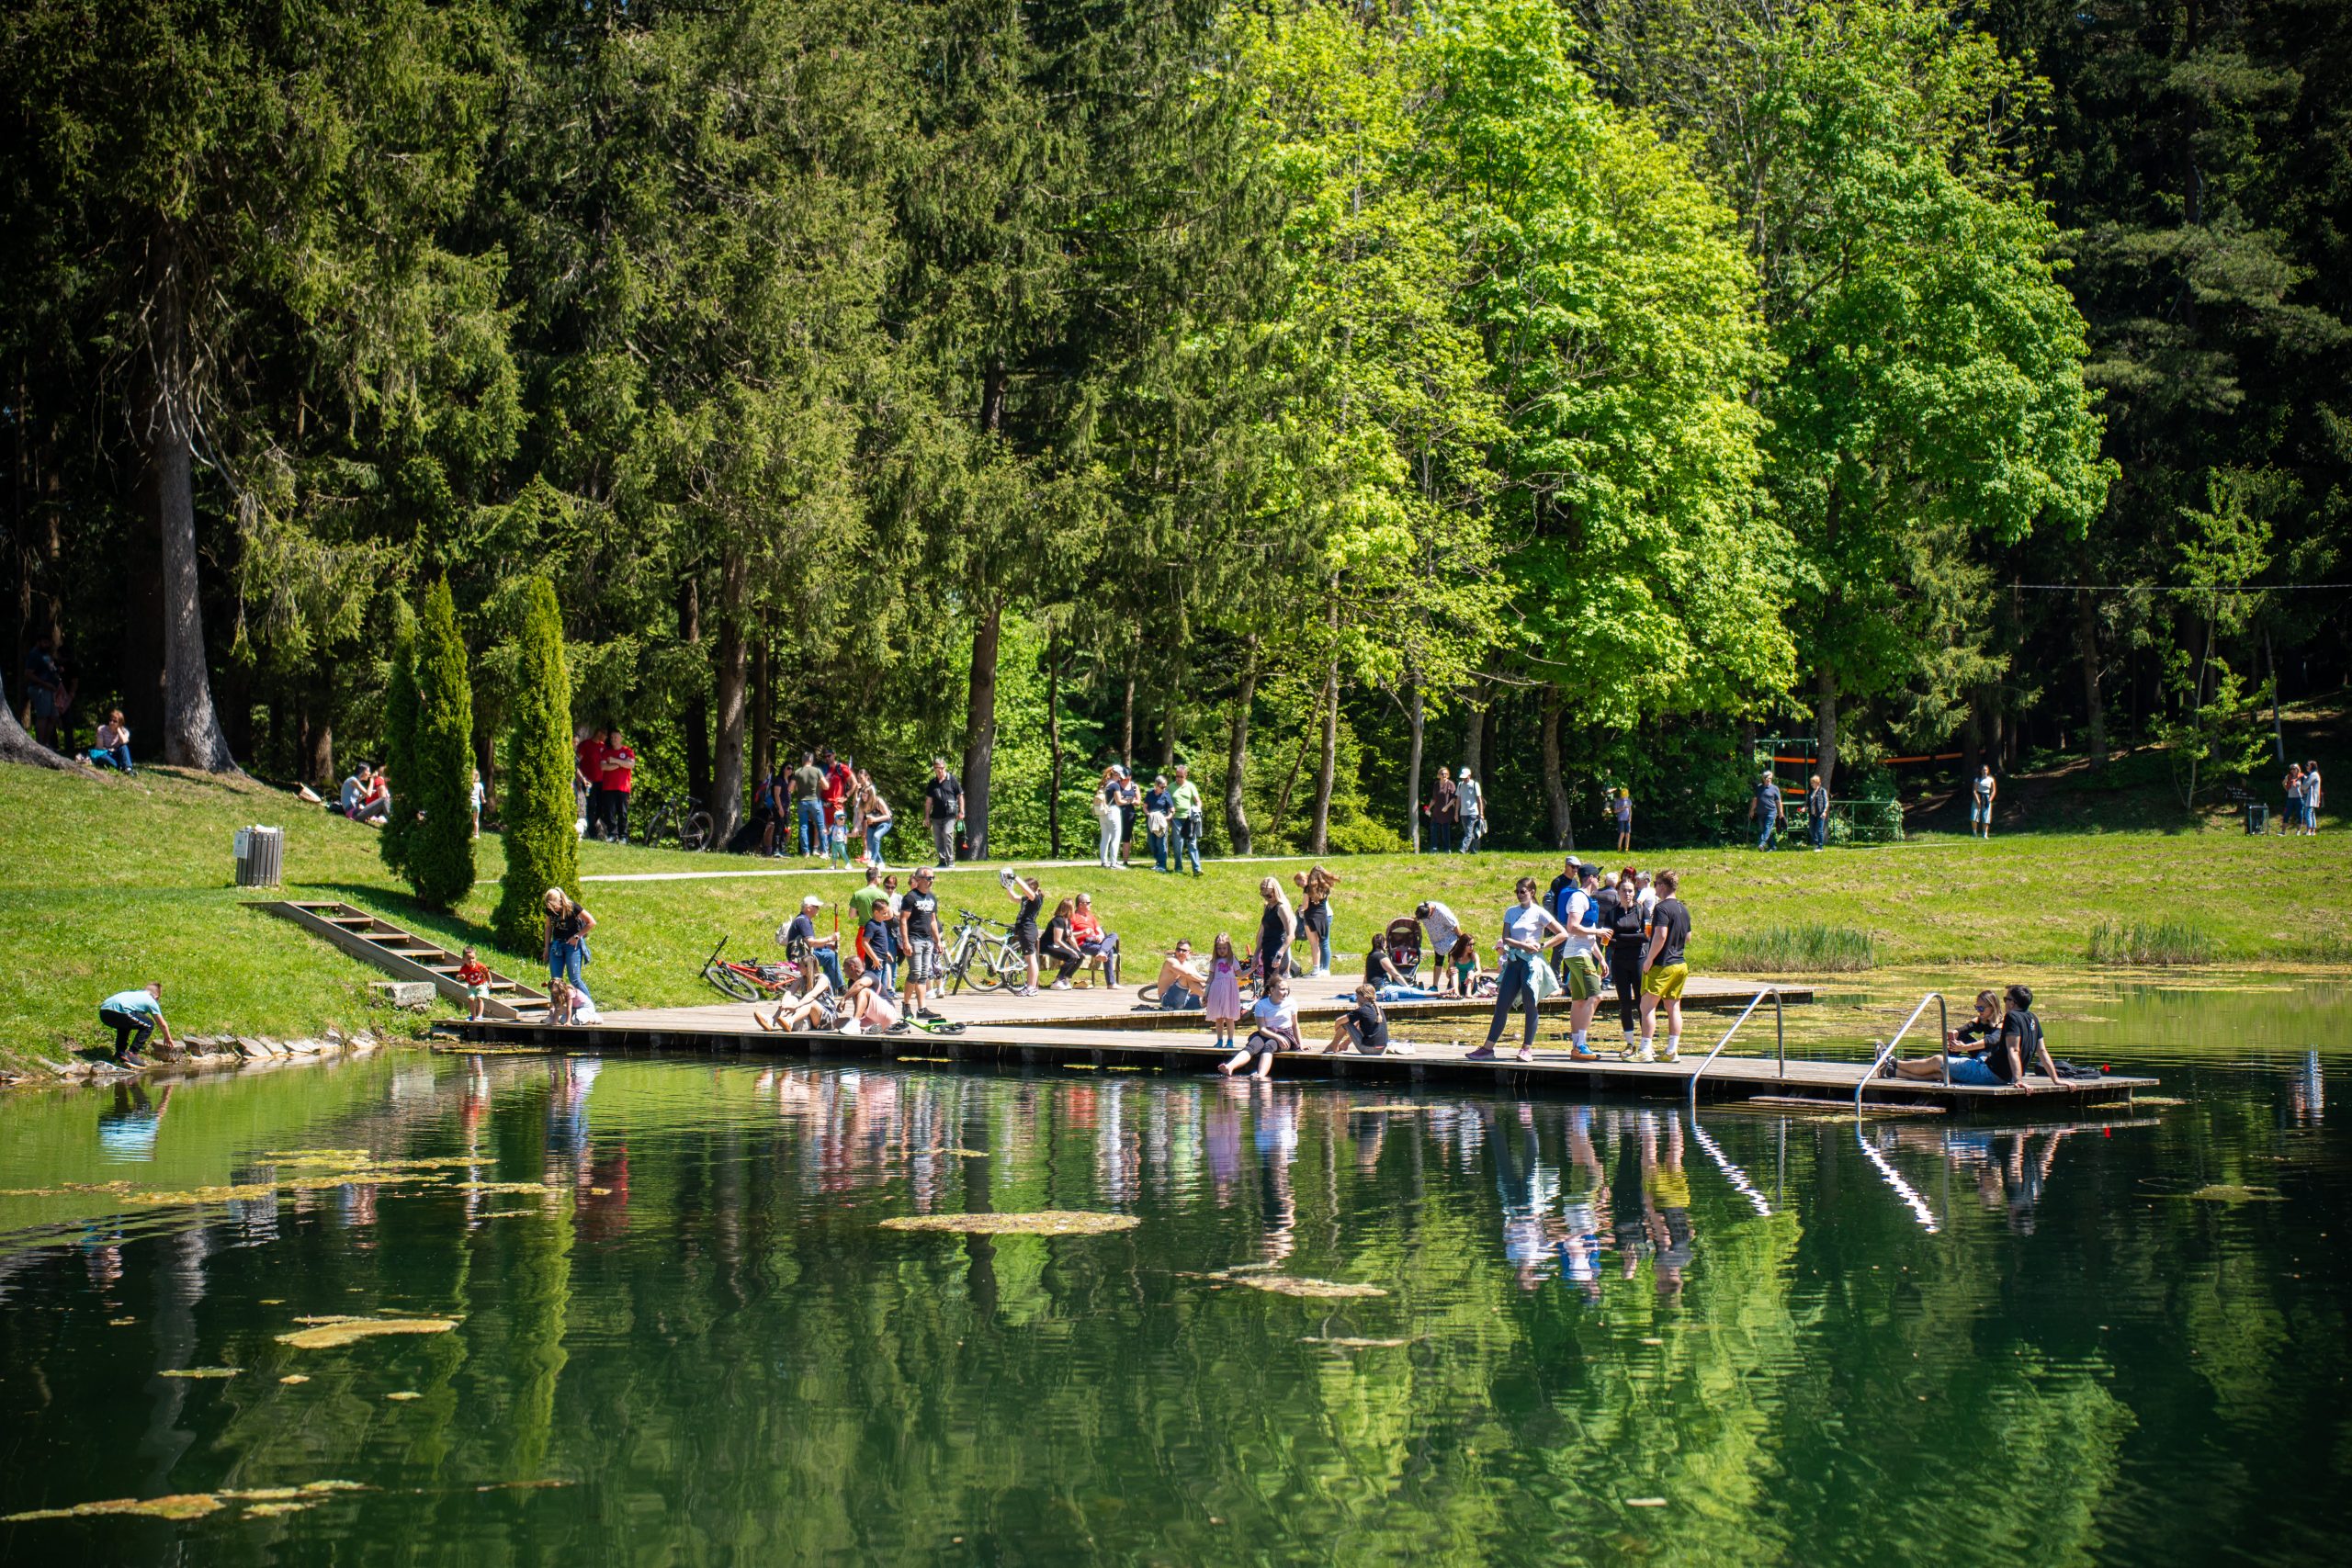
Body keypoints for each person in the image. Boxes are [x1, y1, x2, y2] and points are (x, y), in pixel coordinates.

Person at [1467, 876, 1565, 1063]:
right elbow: (1506, 938)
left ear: (1532, 892)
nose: (1519, 895)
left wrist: (1542, 946)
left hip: (1531, 964)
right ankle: (1488, 1048)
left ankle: (1527, 1048)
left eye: (1523, 891)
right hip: (1514, 961)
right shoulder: (1511, 912)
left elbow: (1563, 933)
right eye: (1517, 891)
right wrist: (1523, 945)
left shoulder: (1539, 912)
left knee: (1530, 1004)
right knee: (1501, 1004)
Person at [1885, 989, 2003, 1082]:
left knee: (1939, 1069)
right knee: (1958, 1039)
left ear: (1992, 1007)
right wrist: (1955, 1033)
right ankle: (1891, 1071)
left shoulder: (2003, 1023)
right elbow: (1965, 1028)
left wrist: (1964, 1047)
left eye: (1981, 1008)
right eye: (1976, 1007)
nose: (1978, 1011)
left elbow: (1991, 1040)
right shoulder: (1982, 1019)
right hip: (1983, 1059)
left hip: (1988, 1062)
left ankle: (1894, 1062)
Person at [1636, 869, 1690, 1063]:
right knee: (1673, 1007)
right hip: (1680, 964)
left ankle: (1645, 1050)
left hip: (1662, 964)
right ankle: (1672, 1050)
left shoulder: (1661, 908)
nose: (1655, 888)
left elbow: (1660, 935)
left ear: (1663, 886)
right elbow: (1688, 937)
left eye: (1656, 884)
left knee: (1647, 1006)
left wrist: (1649, 959)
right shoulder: (1683, 908)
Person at [1556, 862, 1609, 1060]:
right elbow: (1572, 927)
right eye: (1598, 877)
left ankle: (1576, 1046)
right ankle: (1581, 1044)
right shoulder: (1578, 898)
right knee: (1596, 996)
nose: (1600, 881)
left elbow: (1588, 937)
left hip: (1581, 953)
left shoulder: (1589, 900)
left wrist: (1601, 959)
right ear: (1591, 878)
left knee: (1579, 1001)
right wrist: (1599, 931)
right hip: (1577, 954)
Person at [1223, 973, 1301, 1079]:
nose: (1286, 992)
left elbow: (1295, 1025)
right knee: (1252, 1045)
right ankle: (1230, 1067)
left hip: (1285, 1035)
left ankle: (1261, 1074)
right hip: (1266, 1033)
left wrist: (1300, 1045)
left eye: (1287, 989)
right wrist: (1276, 1036)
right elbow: (1262, 1029)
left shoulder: (1291, 1003)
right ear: (1272, 990)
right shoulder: (1261, 1004)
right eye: (1282, 989)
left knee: (1269, 1045)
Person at [1606, 871, 1648, 1055]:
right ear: (1618, 892)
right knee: (1624, 1003)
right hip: (1619, 963)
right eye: (1624, 890)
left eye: (1630, 890)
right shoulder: (1612, 913)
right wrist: (1632, 938)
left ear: (1635, 892)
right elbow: (1608, 941)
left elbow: (1646, 936)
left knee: (1642, 1003)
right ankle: (1630, 1043)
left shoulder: (1642, 911)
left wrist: (1620, 937)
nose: (1627, 894)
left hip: (1639, 960)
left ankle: (1646, 1044)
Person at [898, 865, 944, 1020]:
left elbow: (933, 921)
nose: (931, 881)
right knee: (915, 972)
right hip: (914, 939)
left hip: (927, 940)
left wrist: (937, 941)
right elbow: (903, 920)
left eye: (933, 878)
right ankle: (906, 1005)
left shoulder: (931, 898)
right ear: (918, 879)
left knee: (923, 975)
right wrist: (905, 942)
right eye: (928, 878)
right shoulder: (910, 897)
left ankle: (922, 1009)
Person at [780, 892, 843, 993]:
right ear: (808, 908)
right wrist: (831, 938)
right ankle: (839, 987)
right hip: (800, 956)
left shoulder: (804, 919)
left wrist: (827, 945)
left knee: (828, 952)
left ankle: (829, 985)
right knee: (830, 957)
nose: (818, 909)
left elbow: (809, 944)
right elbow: (811, 943)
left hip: (804, 952)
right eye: (816, 907)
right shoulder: (803, 921)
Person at [98, 981, 174, 1066]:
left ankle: (120, 1054)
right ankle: (132, 1053)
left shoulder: (134, 994)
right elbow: (162, 1023)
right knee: (149, 1024)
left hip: (104, 1012)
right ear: (156, 997)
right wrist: (168, 1038)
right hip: (121, 1011)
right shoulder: (151, 1000)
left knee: (125, 1025)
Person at [24, 635, 70, 750]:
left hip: (51, 690)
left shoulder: (46, 655)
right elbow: (28, 673)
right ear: (38, 642)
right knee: (43, 716)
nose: (47, 645)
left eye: (48, 642)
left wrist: (57, 670)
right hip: (39, 689)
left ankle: (45, 744)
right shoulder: (34, 654)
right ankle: (40, 745)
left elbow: (49, 670)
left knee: (54, 716)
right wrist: (45, 684)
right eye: (45, 642)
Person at [543, 887, 595, 989]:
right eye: (549, 907)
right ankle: (558, 1000)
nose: (552, 910)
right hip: (557, 945)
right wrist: (546, 948)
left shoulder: (573, 907)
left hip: (572, 945)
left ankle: (587, 1000)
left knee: (575, 980)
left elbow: (591, 922)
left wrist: (576, 937)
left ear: (560, 901)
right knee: (555, 981)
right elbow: (548, 927)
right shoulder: (549, 909)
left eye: (554, 907)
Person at [1292, 864, 1340, 976]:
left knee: (1319, 943)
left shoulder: (1309, 888)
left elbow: (1306, 905)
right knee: (1323, 942)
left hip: (1319, 915)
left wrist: (1301, 909)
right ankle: (1323, 968)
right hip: (1323, 915)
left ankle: (1321, 968)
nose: (1299, 886)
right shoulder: (1325, 887)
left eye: (1299, 883)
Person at [1004, 870, 1045, 995]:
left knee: (1030, 959)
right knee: (1029, 958)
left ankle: (1031, 987)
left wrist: (1015, 877)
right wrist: (1007, 886)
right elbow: (1013, 897)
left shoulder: (1036, 899)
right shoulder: (1026, 899)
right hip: (1023, 929)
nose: (1024, 891)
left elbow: (1027, 890)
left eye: (1027, 888)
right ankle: (1031, 987)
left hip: (1028, 929)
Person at [1203, 932, 1244, 1049]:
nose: (1221, 950)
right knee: (1219, 1017)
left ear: (1229, 947)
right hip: (1217, 989)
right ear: (1215, 948)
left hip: (1230, 990)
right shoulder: (1214, 961)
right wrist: (1206, 993)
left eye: (1224, 948)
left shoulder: (1232, 960)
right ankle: (1219, 1040)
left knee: (1229, 1017)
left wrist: (1252, 968)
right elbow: (1210, 978)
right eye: (1219, 948)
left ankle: (1230, 1041)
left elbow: (1240, 974)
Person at [1416, 899, 1464, 998]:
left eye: (1427, 917)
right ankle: (1435, 986)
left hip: (1450, 940)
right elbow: (1417, 918)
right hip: (1437, 942)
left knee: (1452, 965)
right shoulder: (1422, 908)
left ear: (1430, 911)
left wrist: (1463, 941)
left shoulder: (1442, 912)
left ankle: (1455, 989)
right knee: (1438, 962)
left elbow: (1455, 926)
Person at [1254, 876, 1296, 989]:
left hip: (1277, 950)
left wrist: (1280, 954)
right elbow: (1263, 932)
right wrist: (1256, 953)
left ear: (1275, 891)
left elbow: (1291, 935)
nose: (1266, 898)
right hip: (1267, 949)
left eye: (1269, 895)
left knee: (1272, 986)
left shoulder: (1281, 908)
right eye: (1263, 895)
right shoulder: (1267, 907)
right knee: (1267, 985)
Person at [1326, 984, 1391, 1055]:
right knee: (1360, 1024)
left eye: (1357, 997)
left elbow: (1338, 1021)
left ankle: (1333, 1045)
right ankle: (1345, 1044)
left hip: (1368, 1049)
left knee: (1345, 1023)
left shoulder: (1362, 1010)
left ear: (1365, 998)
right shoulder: (1379, 1009)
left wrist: (1338, 1031)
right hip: (1382, 1049)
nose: (1356, 999)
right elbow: (1358, 1026)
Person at [1071, 892, 1120, 986]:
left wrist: (1100, 936)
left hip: (1095, 942)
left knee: (1114, 935)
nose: (1091, 904)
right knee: (1109, 950)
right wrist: (1083, 933)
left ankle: (1102, 952)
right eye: (1088, 903)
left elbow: (1099, 931)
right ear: (1081, 904)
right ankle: (1111, 983)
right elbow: (1068, 935)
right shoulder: (1073, 917)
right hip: (1083, 945)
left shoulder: (1090, 916)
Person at [860, 893, 901, 999]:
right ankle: (872, 1003)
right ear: (876, 912)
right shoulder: (871, 925)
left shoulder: (882, 923)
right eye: (884, 913)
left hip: (883, 958)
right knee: (875, 985)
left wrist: (886, 952)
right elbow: (865, 943)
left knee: (882, 985)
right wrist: (874, 958)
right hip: (875, 961)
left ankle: (882, 1003)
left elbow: (879, 941)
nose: (886, 915)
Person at [923, 758, 963, 867]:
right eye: (936, 769)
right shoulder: (932, 783)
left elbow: (960, 796)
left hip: (950, 815)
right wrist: (927, 817)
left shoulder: (952, 780)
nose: (939, 771)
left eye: (940, 768)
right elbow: (928, 801)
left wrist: (962, 811)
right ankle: (942, 861)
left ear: (944, 767)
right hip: (936, 815)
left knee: (947, 833)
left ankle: (950, 861)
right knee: (938, 839)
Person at [599, 728, 638, 841]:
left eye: (616, 737)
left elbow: (631, 765)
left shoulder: (627, 751)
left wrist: (615, 761)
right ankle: (612, 834)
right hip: (608, 787)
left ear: (621, 738)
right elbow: (603, 767)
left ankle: (623, 836)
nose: (613, 739)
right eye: (612, 737)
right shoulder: (606, 752)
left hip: (623, 787)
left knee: (622, 813)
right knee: (609, 812)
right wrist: (619, 765)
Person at [1150, 940, 1207, 1010]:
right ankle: (1210, 997)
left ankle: (1212, 998)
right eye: (1178, 949)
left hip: (1184, 1000)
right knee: (1187, 977)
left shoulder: (1190, 966)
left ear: (1189, 952)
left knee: (1205, 1001)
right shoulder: (1170, 961)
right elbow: (1187, 974)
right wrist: (1208, 980)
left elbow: (1198, 982)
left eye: (1184, 950)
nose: (1180, 952)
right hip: (1168, 1001)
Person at [1043, 898, 1087, 989]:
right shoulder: (1058, 920)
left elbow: (1070, 937)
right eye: (1073, 907)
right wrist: (1071, 950)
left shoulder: (1068, 920)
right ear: (1068, 909)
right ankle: (1057, 981)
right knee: (1072, 956)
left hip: (1057, 945)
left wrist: (1078, 950)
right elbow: (1057, 940)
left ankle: (1066, 979)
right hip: (1048, 945)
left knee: (1080, 956)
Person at [1170, 763, 1204, 875]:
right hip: (1176, 818)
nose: (1179, 779)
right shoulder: (1170, 787)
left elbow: (1198, 801)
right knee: (1178, 844)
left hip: (1189, 819)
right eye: (1177, 776)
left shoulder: (1190, 786)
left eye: (1181, 776)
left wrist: (1197, 809)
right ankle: (1178, 868)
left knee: (1192, 843)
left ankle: (1197, 869)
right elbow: (1165, 802)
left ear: (1186, 776)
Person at [856, 768, 894, 870]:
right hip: (872, 824)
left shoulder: (878, 801)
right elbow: (860, 817)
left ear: (870, 795)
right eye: (862, 796)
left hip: (885, 823)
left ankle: (872, 861)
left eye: (865, 796)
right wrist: (855, 828)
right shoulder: (862, 803)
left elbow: (888, 816)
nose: (863, 798)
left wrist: (874, 819)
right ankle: (880, 862)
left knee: (876, 837)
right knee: (869, 843)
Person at [793, 752, 828, 858]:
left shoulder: (797, 772)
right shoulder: (817, 771)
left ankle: (805, 852)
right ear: (811, 760)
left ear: (802, 760)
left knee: (803, 827)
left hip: (802, 802)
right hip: (815, 801)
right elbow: (826, 786)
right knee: (821, 826)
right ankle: (824, 851)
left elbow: (790, 788)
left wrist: (798, 788)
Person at [575, 728, 606, 839]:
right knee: (591, 805)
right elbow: (577, 762)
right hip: (589, 781)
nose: (606, 737)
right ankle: (591, 831)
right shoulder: (586, 745)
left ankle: (593, 826)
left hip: (601, 782)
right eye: (604, 735)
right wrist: (580, 779)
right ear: (599, 733)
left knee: (601, 806)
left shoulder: (603, 747)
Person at [1093, 766, 1124, 869]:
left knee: (1105, 838)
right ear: (1116, 774)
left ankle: (1104, 862)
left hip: (1102, 812)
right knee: (1116, 837)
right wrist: (1129, 801)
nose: (1120, 778)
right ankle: (1114, 863)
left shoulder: (1103, 784)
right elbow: (1119, 801)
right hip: (1112, 811)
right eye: (1119, 776)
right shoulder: (1115, 785)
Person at [1144, 774, 1175, 873]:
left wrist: (1168, 817)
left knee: (1161, 843)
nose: (1164, 788)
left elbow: (1172, 809)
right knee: (1151, 842)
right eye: (1162, 787)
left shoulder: (1166, 794)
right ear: (1156, 785)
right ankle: (1158, 862)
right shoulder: (1150, 793)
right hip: (1151, 821)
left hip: (1162, 823)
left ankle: (1162, 865)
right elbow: (1145, 807)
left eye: (1165, 786)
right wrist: (1148, 814)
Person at [456, 946, 493, 1022]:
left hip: (482, 984)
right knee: (470, 999)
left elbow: (487, 972)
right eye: (468, 959)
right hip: (471, 986)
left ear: (476, 958)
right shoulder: (464, 968)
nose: (471, 960)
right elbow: (457, 977)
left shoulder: (479, 966)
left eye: (473, 958)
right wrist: (460, 977)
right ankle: (473, 1016)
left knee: (479, 998)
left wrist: (490, 981)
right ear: (463, 960)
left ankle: (479, 1016)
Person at [90, 709, 133, 773]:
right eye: (110, 720)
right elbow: (99, 747)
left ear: (120, 723)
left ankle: (128, 769)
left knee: (124, 747)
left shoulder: (124, 731)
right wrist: (110, 750)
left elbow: (124, 742)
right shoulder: (102, 729)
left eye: (115, 721)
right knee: (103, 758)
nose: (111, 723)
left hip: (116, 754)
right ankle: (120, 767)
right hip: (105, 754)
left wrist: (119, 730)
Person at [1115, 766, 1143, 866]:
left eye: (1126, 779)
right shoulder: (1116, 784)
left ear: (1130, 777)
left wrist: (1131, 801)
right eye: (1123, 778)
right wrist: (1127, 800)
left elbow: (1138, 802)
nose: (1124, 780)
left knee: (1126, 837)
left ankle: (1125, 861)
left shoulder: (1134, 786)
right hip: (1117, 813)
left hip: (1129, 814)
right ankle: (1113, 860)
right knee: (1115, 836)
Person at [1428, 768, 1459, 853]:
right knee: (1433, 829)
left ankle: (1447, 849)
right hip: (1437, 811)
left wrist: (1447, 807)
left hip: (1447, 812)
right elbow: (1434, 799)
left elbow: (1454, 799)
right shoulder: (1436, 784)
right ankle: (1434, 848)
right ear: (1439, 775)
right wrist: (1428, 808)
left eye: (1446, 774)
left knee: (1445, 830)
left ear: (1448, 775)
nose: (1444, 775)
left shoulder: (1451, 784)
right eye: (1442, 774)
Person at [1750, 770, 1781, 851]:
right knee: (1764, 830)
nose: (1768, 780)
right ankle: (1773, 846)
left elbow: (1778, 801)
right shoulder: (1759, 788)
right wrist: (1752, 810)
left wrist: (1780, 812)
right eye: (1767, 778)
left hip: (1771, 812)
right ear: (1763, 779)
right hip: (1761, 813)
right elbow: (1755, 800)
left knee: (1767, 828)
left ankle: (1762, 844)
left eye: (1770, 778)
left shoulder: (1775, 788)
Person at [1457, 767, 1485, 852]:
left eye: (1465, 777)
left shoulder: (1475, 784)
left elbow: (1479, 800)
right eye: (1463, 777)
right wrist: (1456, 813)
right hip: (1463, 813)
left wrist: (1481, 813)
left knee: (1468, 832)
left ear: (1469, 776)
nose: (1464, 779)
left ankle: (1463, 849)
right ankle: (1473, 850)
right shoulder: (1460, 785)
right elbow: (1458, 799)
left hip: (1473, 813)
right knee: (1468, 833)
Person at [1971, 764, 1997, 840]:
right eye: (1983, 770)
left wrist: (1990, 799)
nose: (1984, 771)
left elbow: (1993, 791)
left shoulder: (1991, 779)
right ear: (1980, 771)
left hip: (1987, 798)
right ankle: (1974, 834)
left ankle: (1985, 834)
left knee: (1986, 817)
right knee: (1974, 816)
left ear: (1988, 771)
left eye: (1986, 770)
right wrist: (1978, 801)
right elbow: (1974, 791)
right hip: (1978, 797)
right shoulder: (1977, 779)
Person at [1806, 773, 1829, 851]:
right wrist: (1804, 808)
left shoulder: (1822, 791)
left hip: (1820, 813)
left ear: (1818, 783)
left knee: (1819, 830)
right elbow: (1808, 803)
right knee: (1811, 830)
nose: (1812, 784)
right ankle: (1817, 843)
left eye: (1813, 783)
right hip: (1812, 813)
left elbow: (1826, 802)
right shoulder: (1811, 792)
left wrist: (1824, 812)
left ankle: (1820, 847)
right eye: (1811, 783)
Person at [2302, 760, 2323, 834]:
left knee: (2307, 813)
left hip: (2311, 797)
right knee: (2311, 813)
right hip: (2312, 796)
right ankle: (2313, 831)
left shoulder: (2313, 774)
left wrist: (2303, 780)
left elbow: (2305, 786)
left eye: (2308, 765)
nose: (2306, 766)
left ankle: (2308, 831)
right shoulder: (2314, 774)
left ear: (2312, 766)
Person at [1613, 787, 1633, 852]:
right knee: (1622, 834)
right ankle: (1619, 848)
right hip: (1621, 819)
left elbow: (1630, 811)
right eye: (1623, 796)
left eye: (1625, 796)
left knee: (1628, 834)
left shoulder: (1629, 800)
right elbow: (1615, 811)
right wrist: (1622, 808)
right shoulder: (1618, 801)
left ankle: (1626, 848)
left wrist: (1630, 817)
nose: (1624, 797)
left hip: (1627, 819)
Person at [469, 768, 485, 839]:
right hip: (476, 803)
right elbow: (482, 795)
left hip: (470, 802)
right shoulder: (480, 785)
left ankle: (468, 831)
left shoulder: (471, 784)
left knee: (468, 818)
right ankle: (476, 834)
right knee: (476, 820)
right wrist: (483, 800)